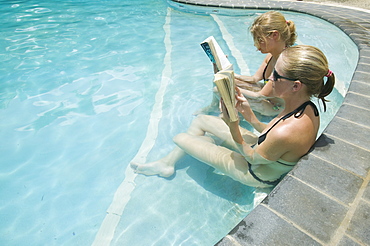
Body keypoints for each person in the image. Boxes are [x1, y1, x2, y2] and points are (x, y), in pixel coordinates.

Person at [131, 45, 335, 188]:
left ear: (295, 85)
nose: (270, 79)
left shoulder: (288, 130)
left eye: (276, 76)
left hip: (253, 172)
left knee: (181, 138)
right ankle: (169, 162)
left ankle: (173, 160)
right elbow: (271, 134)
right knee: (201, 121)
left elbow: (253, 159)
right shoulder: (305, 107)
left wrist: (233, 124)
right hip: (265, 150)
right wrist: (249, 114)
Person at [235, 11, 297, 116]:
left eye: (260, 39)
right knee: (227, 82)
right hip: (268, 99)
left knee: (224, 91)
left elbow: (259, 96)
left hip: (277, 108)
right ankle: (217, 111)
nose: (256, 45)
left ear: (275, 35)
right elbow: (254, 79)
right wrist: (231, 74)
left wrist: (232, 88)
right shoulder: (270, 56)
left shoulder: (285, 63)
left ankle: (226, 118)